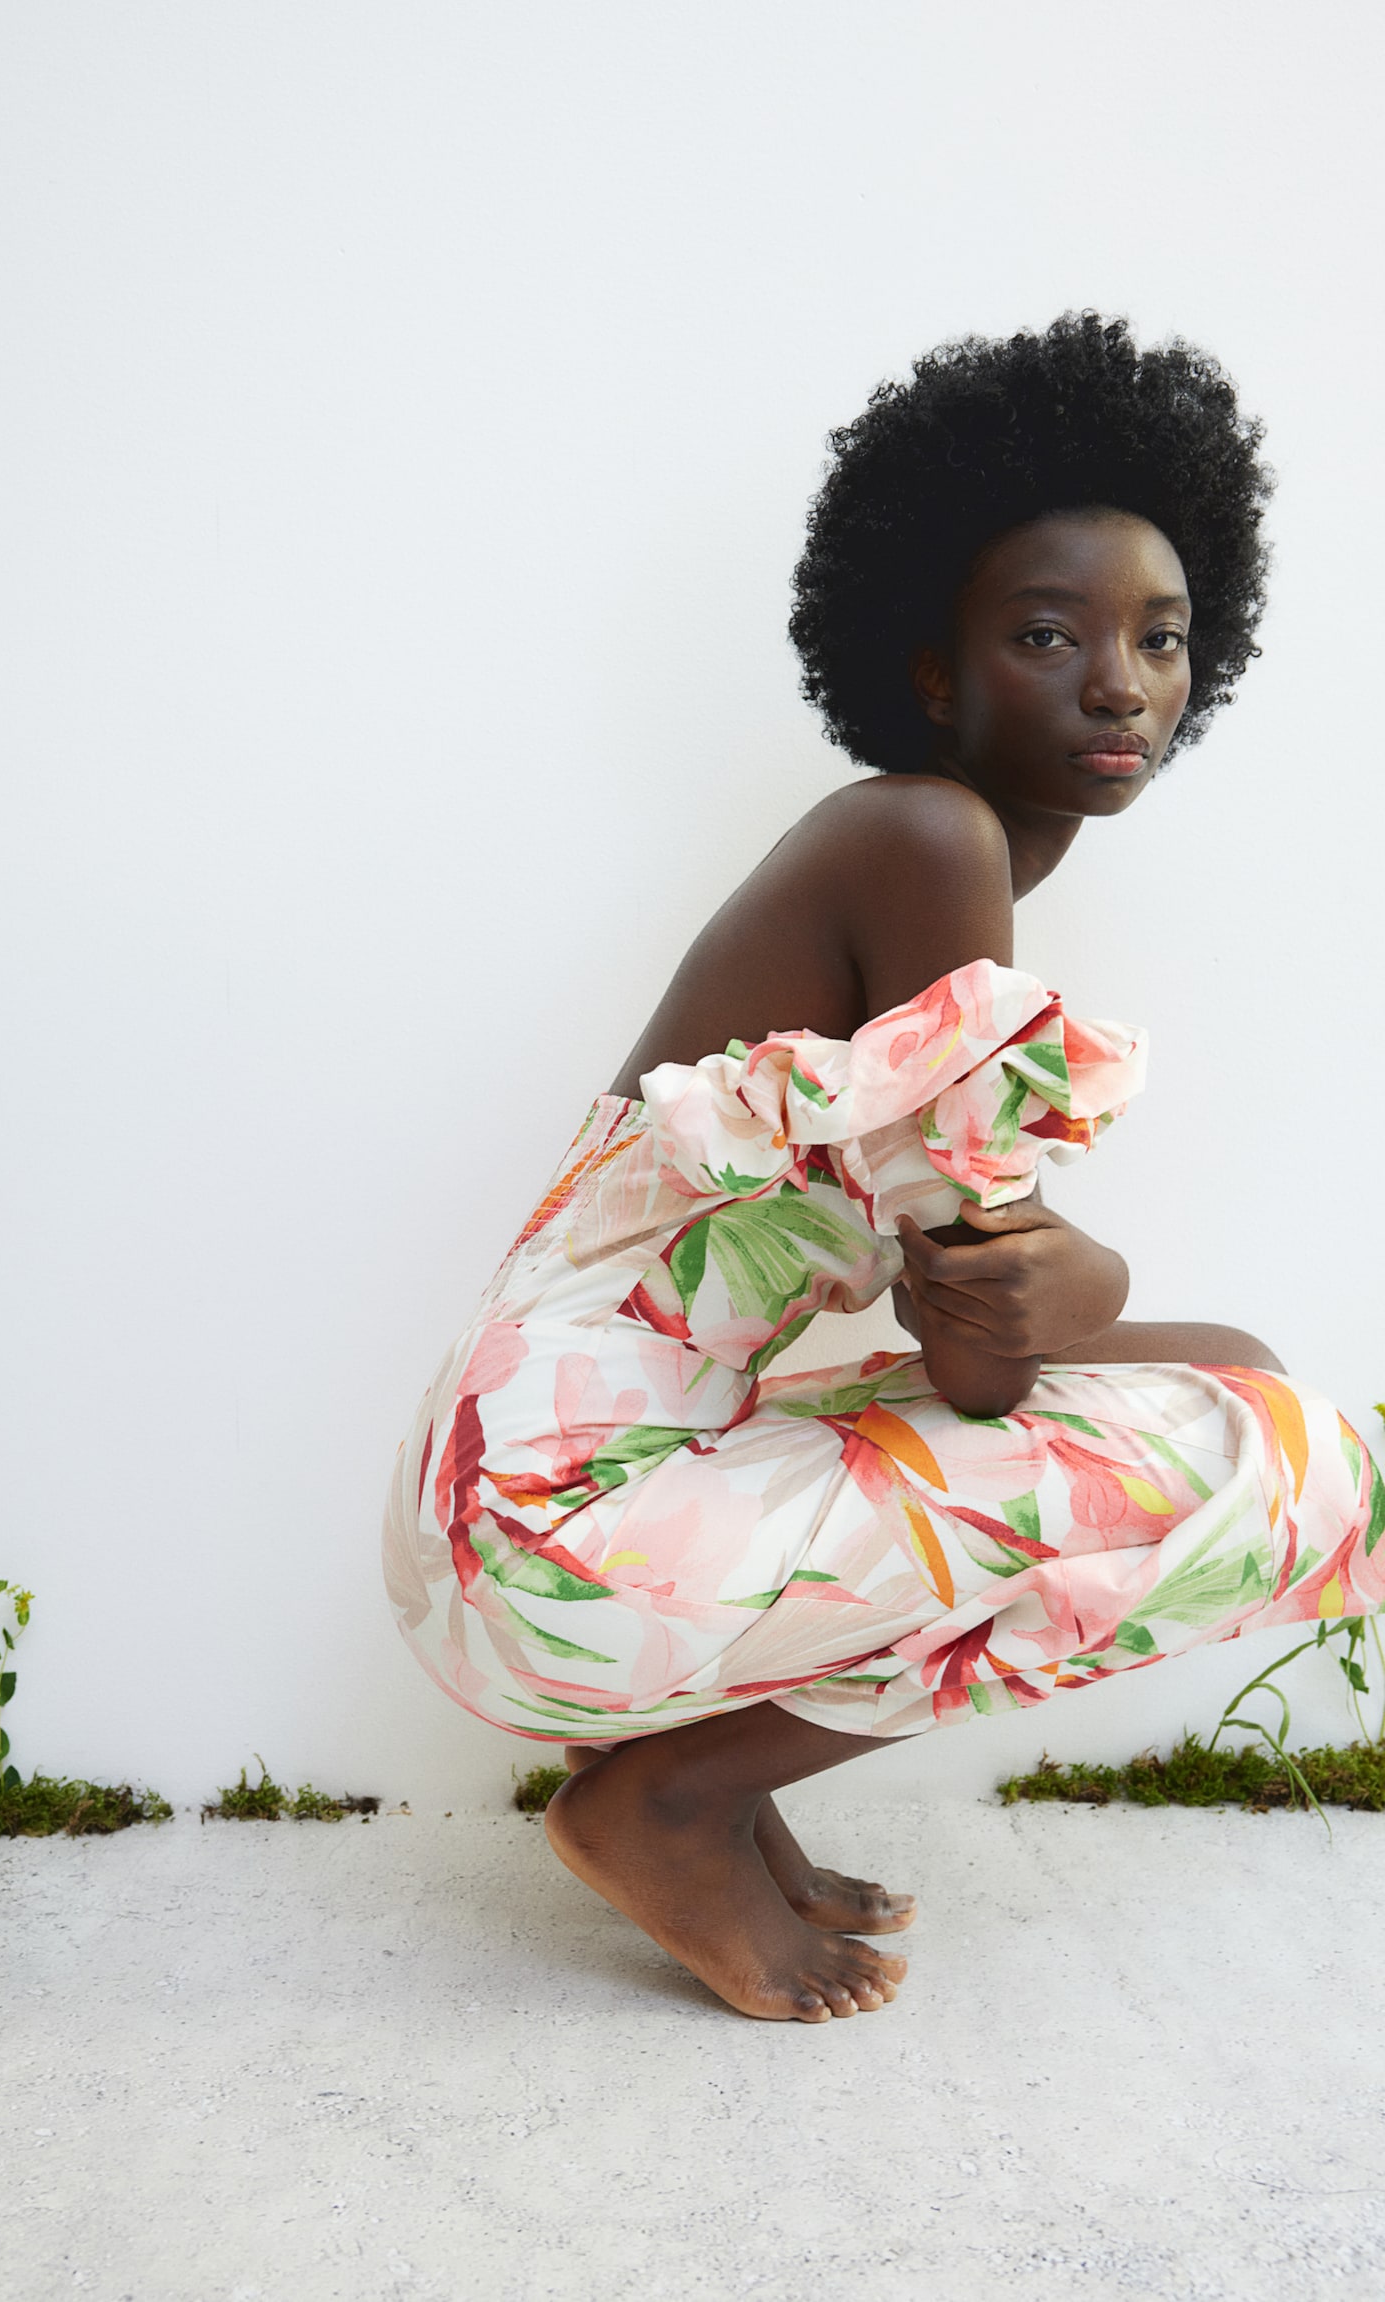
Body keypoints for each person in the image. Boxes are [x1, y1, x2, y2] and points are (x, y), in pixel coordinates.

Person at [383, 313, 1385, 2023]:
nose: (1121, 682)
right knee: (1297, 1467)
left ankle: (713, 1776)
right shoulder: (932, 842)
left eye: (1163, 637)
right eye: (1051, 632)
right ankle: (668, 1796)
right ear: (934, 671)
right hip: (557, 1544)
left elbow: (970, 1322)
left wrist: (1095, 1300)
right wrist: (1100, 1286)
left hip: (528, 1519)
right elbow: (990, 1360)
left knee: (1247, 1381)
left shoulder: (915, 850)